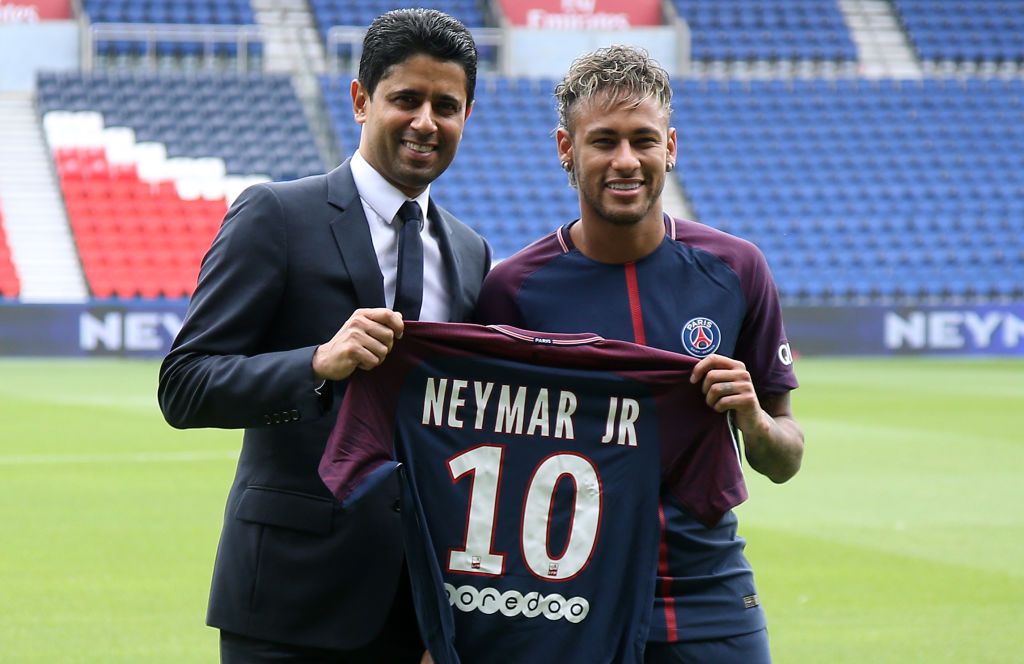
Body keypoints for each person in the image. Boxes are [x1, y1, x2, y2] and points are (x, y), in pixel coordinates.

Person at [158, 8, 490, 663]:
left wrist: (451, 608)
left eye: (445, 105)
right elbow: (184, 384)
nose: (427, 121)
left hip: (418, 608)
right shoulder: (275, 215)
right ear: (361, 100)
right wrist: (317, 362)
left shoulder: (470, 252)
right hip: (289, 601)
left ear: (467, 117)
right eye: (406, 99)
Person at [473, 45, 804, 663]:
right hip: (565, 602)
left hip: (709, 597)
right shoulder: (511, 290)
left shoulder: (736, 269)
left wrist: (753, 419)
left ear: (670, 147)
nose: (626, 160)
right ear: (566, 150)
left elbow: (785, 457)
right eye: (604, 141)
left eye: (643, 140)